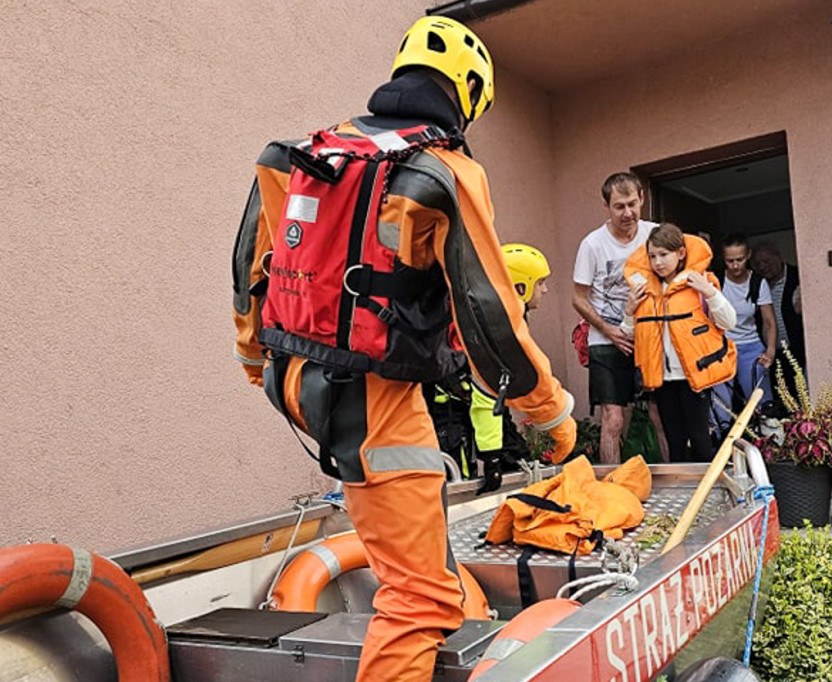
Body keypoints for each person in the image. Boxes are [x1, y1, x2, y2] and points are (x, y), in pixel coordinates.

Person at [233, 17, 576, 682]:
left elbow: (252, 265)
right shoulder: (443, 172)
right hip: (374, 397)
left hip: (293, 376)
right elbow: (489, 318)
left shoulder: (298, 153)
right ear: (468, 95)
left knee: (416, 566)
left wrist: (254, 358)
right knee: (419, 599)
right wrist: (551, 414)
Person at [621, 223, 737, 462]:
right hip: (663, 380)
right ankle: (683, 494)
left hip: (693, 378)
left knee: (700, 440)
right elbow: (631, 335)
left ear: (681, 253)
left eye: (664, 255)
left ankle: (708, 494)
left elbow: (729, 321)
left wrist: (710, 293)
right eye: (652, 256)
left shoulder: (700, 283)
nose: (658, 262)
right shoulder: (644, 290)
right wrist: (629, 311)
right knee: (674, 442)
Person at [571, 172, 659, 464]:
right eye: (619, 206)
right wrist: (608, 330)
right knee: (613, 418)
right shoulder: (593, 244)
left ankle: (676, 479)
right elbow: (578, 298)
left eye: (632, 204)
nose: (628, 213)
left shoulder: (655, 234)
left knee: (660, 414)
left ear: (642, 199)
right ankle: (612, 488)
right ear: (606, 206)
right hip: (606, 339)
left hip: (649, 336)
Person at [470, 243, 550, 493]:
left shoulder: (510, 318)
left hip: (490, 420)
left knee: (520, 462)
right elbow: (485, 394)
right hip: (469, 423)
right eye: (540, 283)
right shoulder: (498, 328)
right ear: (520, 287)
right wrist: (492, 458)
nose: (545, 290)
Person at [711, 233, 776, 431]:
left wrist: (770, 350)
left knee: (761, 403)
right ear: (724, 259)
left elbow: (769, 322)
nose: (735, 265)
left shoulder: (758, 283)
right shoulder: (716, 282)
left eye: (739, 259)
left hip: (751, 346)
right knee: (720, 407)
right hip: (722, 348)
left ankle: (770, 448)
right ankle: (719, 448)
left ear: (748, 256)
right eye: (730, 260)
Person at [750, 242, 805, 401]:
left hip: (796, 349)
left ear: (778, 258)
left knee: (799, 393)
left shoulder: (797, 276)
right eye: (757, 264)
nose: (762, 267)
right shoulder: (757, 284)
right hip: (770, 353)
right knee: (779, 395)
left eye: (766, 261)